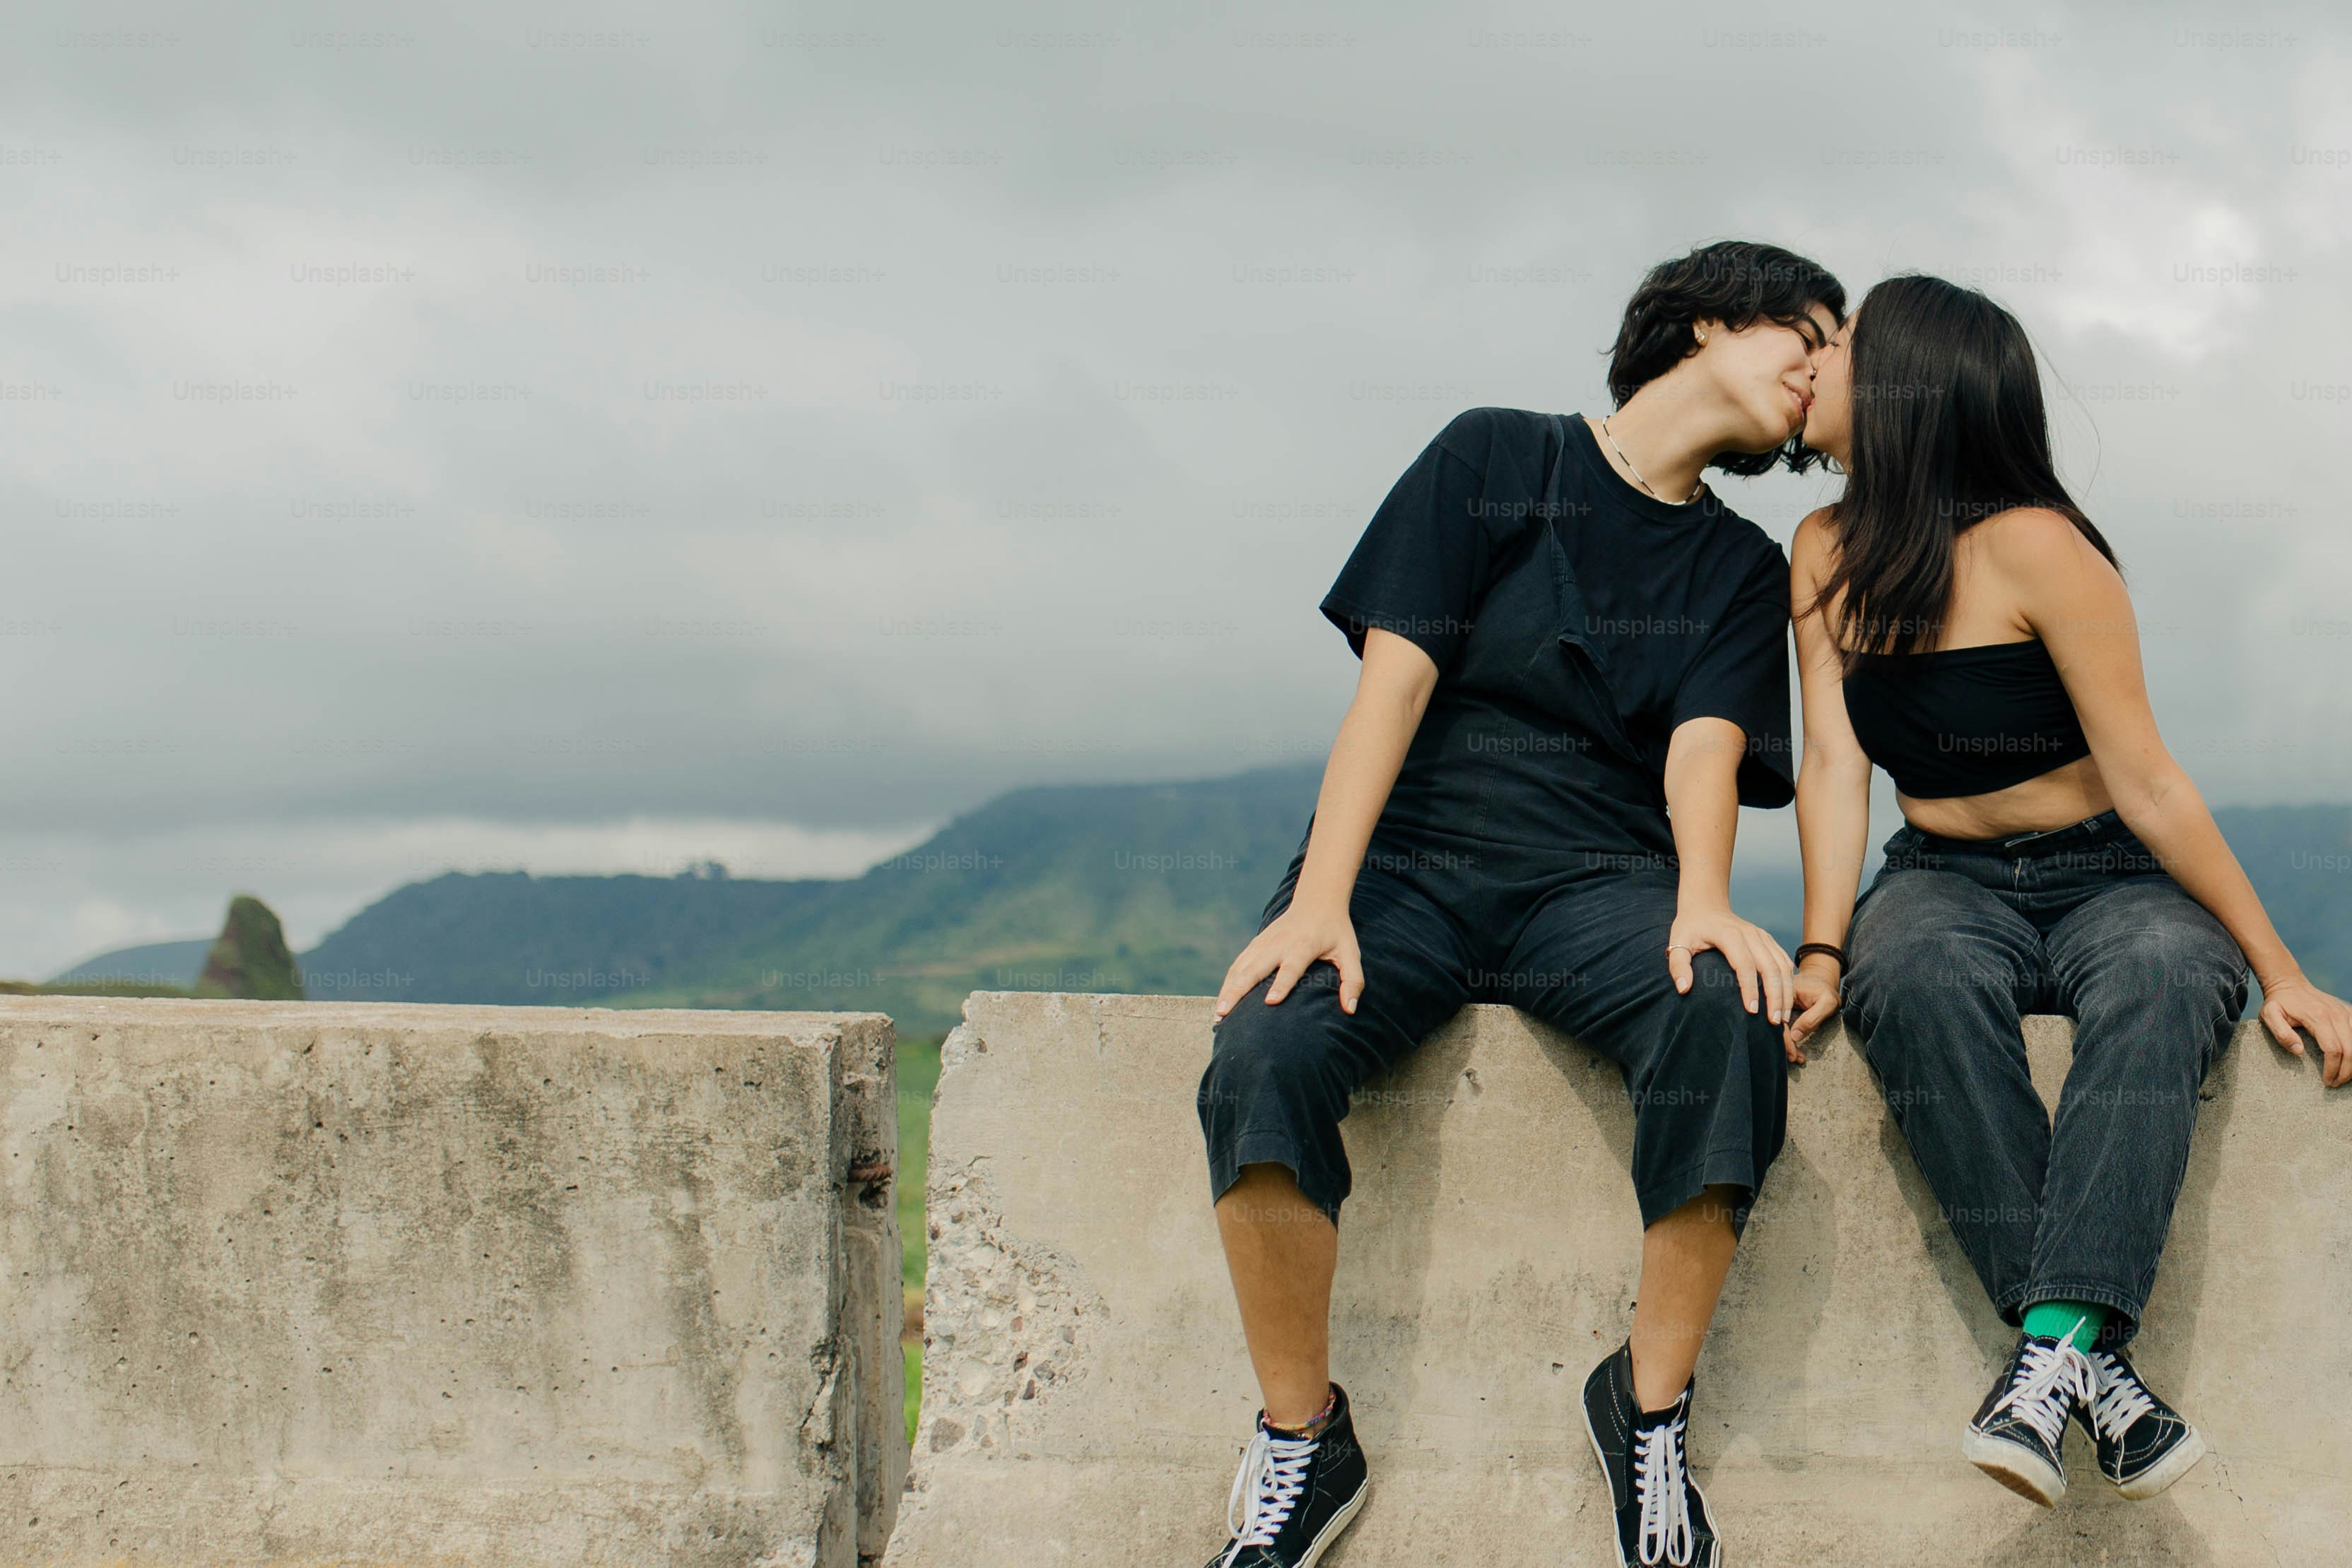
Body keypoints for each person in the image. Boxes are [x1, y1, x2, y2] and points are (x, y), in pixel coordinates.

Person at [1193, 240, 1843, 1568]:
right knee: (1265, 1047)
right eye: (1810, 336)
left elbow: (1705, 744)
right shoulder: (1496, 457)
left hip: (1599, 884)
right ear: (1714, 318)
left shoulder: (1738, 565)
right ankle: (1302, 1437)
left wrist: (1707, 900)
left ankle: (1648, 1410)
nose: (1822, 375)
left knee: (1722, 1016)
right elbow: (1396, 676)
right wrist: (1323, 898)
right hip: (1408, 863)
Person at [1780, 273, 2352, 1510]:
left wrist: (2284, 968)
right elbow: (1834, 766)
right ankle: (2100, 1373)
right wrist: (1823, 951)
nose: (1815, 362)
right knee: (1908, 976)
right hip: (1942, 878)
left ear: (1910, 387)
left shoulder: (2040, 546)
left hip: (2109, 873)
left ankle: (2049, 1358)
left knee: (2166, 975)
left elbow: (2147, 780)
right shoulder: (1820, 551)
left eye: (1846, 346)